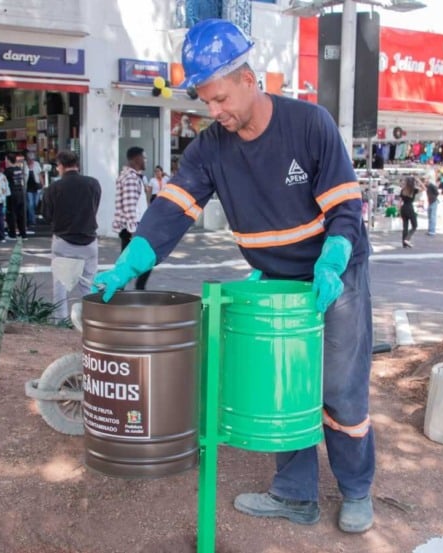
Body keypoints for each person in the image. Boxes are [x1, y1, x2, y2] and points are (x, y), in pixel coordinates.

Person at [92, 19, 375, 534]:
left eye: (220, 98)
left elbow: (345, 208)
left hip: (335, 272)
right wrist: (129, 263)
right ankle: (295, 495)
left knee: (339, 386)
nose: (214, 111)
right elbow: (171, 211)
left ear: (248, 79)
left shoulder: (309, 124)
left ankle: (357, 490)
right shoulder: (209, 149)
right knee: (282, 379)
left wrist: (333, 260)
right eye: (207, 102)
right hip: (276, 277)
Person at [41, 150, 101, 323]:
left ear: (60, 165)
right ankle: (92, 320)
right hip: (89, 240)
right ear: (77, 165)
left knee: (60, 287)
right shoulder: (93, 184)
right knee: (88, 285)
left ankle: (60, 321)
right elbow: (95, 207)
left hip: (63, 241)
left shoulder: (54, 188)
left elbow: (46, 215)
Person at [111, 146, 151, 290]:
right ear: (136, 159)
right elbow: (130, 206)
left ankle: (120, 289)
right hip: (133, 228)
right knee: (146, 259)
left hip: (132, 228)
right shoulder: (130, 178)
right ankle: (135, 289)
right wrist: (134, 231)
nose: (146, 160)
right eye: (144, 157)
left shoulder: (132, 176)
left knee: (129, 263)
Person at [3, 153, 27, 240]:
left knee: (11, 214)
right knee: (21, 214)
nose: (5, 161)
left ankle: (12, 234)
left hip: (11, 193)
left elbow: (4, 182)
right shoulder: (19, 169)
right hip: (20, 192)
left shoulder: (7, 171)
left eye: (6, 160)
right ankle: (23, 233)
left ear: (8, 160)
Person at [23, 152, 45, 229]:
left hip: (37, 187)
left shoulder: (36, 164)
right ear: (27, 159)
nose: (31, 161)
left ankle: (31, 217)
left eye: (32, 159)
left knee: (35, 203)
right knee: (31, 204)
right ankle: (32, 221)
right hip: (28, 188)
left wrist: (43, 184)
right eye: (30, 159)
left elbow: (40, 175)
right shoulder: (24, 165)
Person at [399, 176, 419, 248]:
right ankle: (407, 239)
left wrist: (399, 211)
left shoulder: (403, 190)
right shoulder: (414, 190)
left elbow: (400, 201)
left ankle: (404, 244)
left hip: (403, 208)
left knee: (405, 226)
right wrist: (418, 180)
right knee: (414, 225)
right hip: (410, 208)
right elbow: (424, 189)